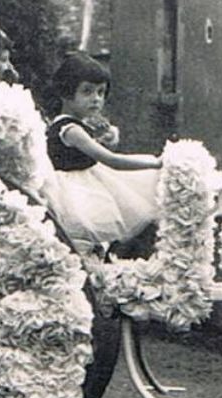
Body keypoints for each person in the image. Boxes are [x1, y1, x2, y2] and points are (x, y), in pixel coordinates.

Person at [40, 52, 161, 254]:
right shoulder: (71, 129)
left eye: (101, 92)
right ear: (66, 93)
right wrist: (155, 163)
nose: (96, 99)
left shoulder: (76, 125)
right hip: (74, 192)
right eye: (87, 92)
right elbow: (111, 160)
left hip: (88, 182)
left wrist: (103, 140)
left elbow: (93, 154)